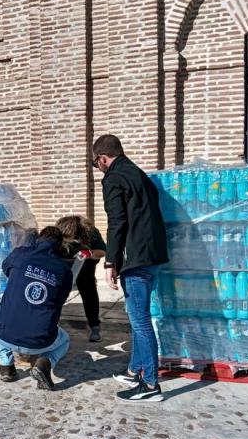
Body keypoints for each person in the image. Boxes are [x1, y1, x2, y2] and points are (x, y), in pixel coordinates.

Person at [93, 134, 169, 403]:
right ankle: (136, 370)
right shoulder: (139, 174)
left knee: (140, 321)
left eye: (97, 163)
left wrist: (111, 261)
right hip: (154, 255)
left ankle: (150, 385)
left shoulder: (114, 178)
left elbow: (117, 222)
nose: (98, 168)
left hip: (136, 259)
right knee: (139, 319)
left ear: (103, 158)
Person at [0, 226, 73, 391]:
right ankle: (45, 362)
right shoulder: (64, 270)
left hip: (4, 335)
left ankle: (6, 367)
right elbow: (60, 300)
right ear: (60, 246)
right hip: (40, 341)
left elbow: (6, 268)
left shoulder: (20, 254)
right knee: (65, 340)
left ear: (39, 239)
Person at [56, 215, 106, 342]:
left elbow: (102, 251)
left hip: (85, 266)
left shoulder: (91, 232)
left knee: (89, 293)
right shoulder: (58, 232)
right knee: (57, 296)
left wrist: (89, 253)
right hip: (63, 266)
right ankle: (52, 325)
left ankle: (94, 326)